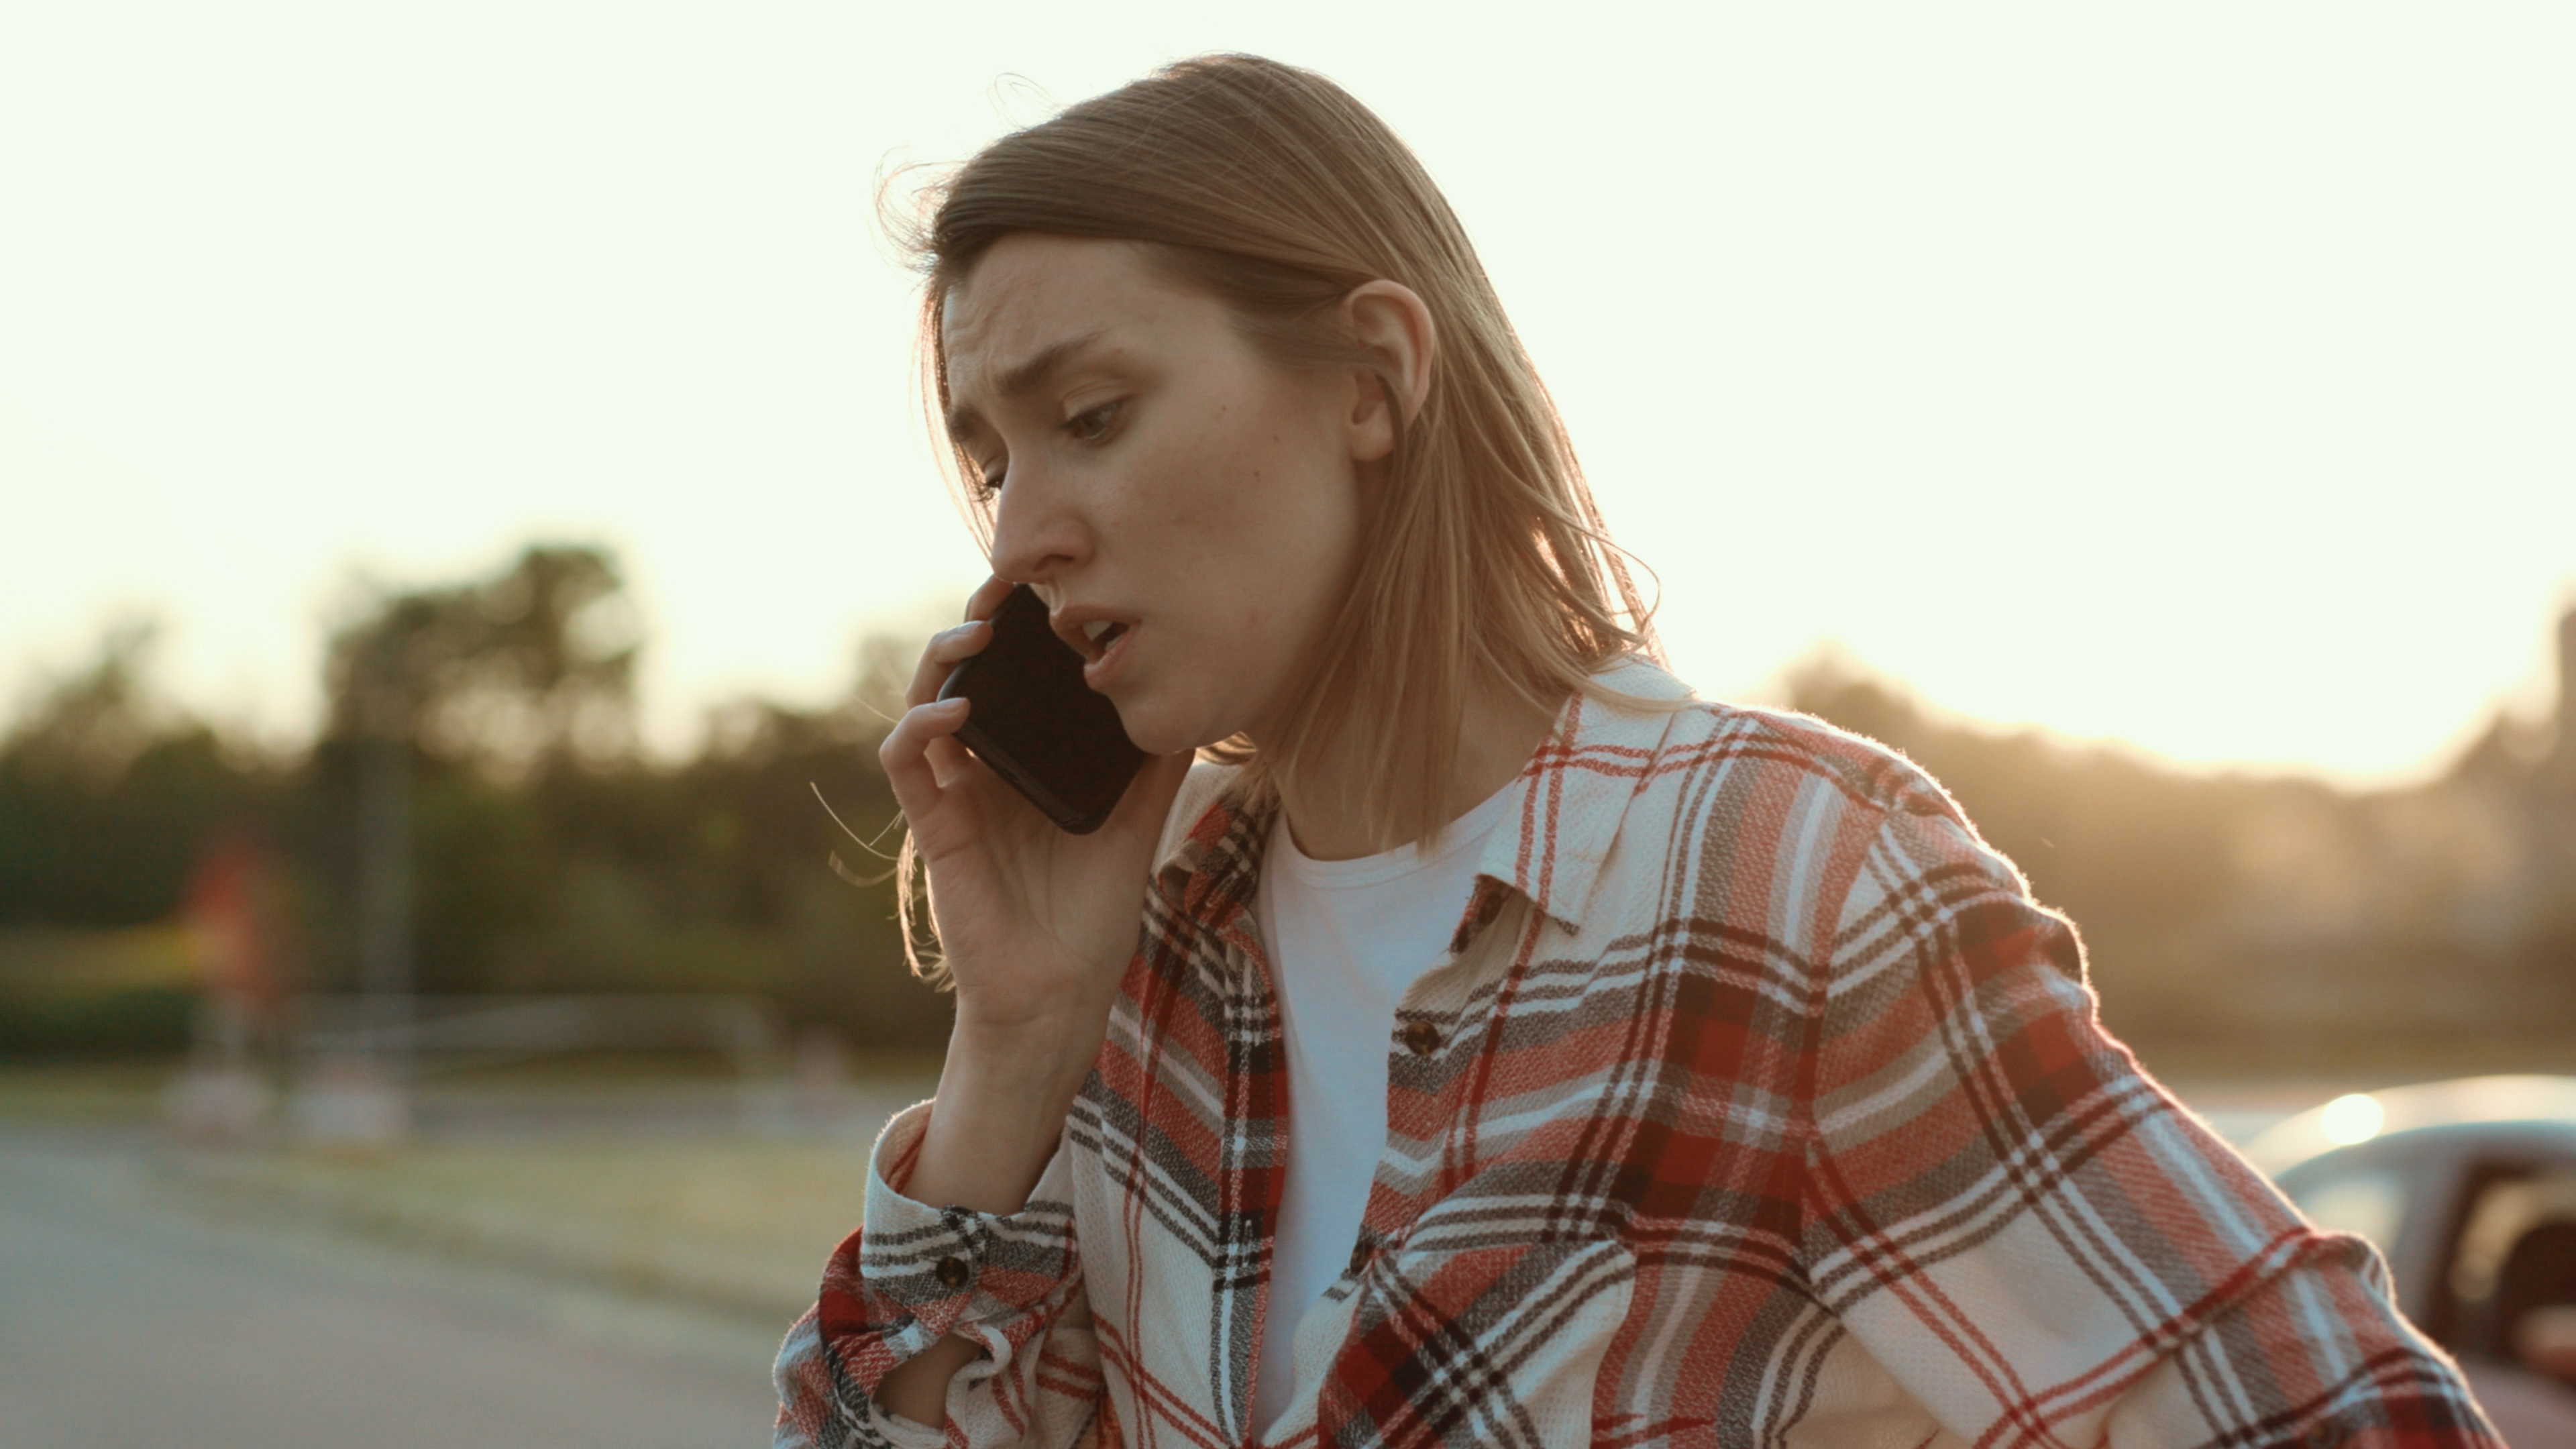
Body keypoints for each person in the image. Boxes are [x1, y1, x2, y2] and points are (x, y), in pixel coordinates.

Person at [774, 54, 2500, 1449]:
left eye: (1090, 419)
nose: (1019, 539)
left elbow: (2337, 1414)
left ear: (1371, 380)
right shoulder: (1131, 965)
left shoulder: (1791, 882)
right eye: (992, 458)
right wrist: (1014, 1041)